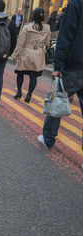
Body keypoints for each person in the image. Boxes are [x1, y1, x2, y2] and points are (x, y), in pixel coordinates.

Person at [37, 0, 83, 169]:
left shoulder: (76, 3)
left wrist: (58, 66)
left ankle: (48, 138)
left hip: (74, 65)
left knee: (58, 100)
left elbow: (66, 35)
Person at [12, 8, 50, 103]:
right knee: (33, 76)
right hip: (38, 54)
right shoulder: (47, 28)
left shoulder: (27, 27)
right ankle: (29, 95)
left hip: (26, 53)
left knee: (20, 73)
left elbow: (21, 42)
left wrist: (16, 54)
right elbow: (47, 43)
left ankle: (19, 92)